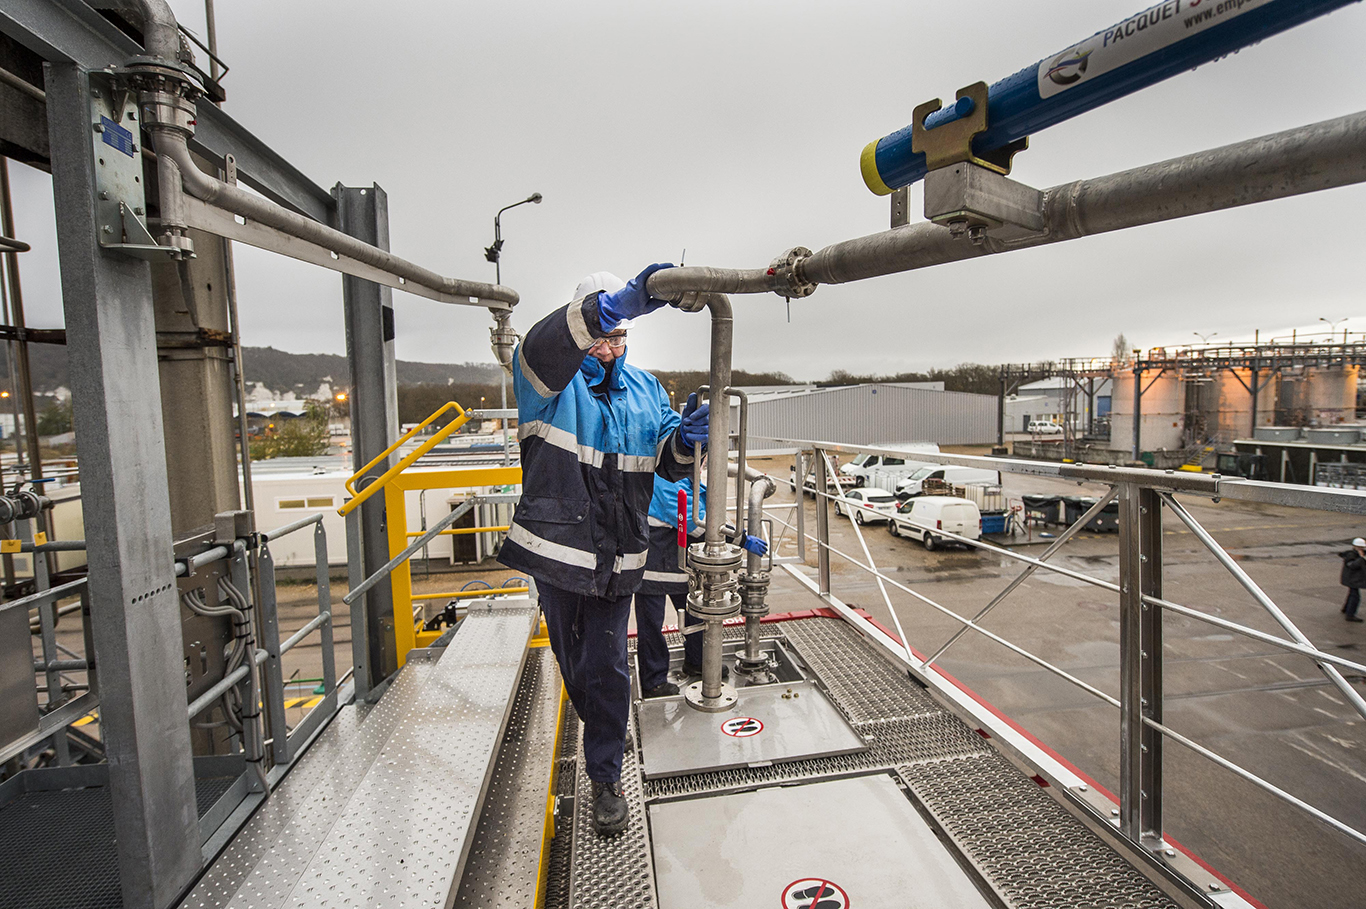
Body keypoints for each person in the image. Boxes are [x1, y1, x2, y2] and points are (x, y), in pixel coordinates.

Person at [499, 264, 708, 836]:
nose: (611, 346)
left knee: (610, 663)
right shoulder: (544, 378)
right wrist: (612, 306)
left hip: (622, 556)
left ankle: (605, 773)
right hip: (558, 555)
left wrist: (686, 439)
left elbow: (668, 461)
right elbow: (549, 340)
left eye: (619, 335)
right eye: (603, 331)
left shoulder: (646, 389)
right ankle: (603, 728)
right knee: (577, 664)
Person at [634, 474, 766, 697]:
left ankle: (698, 662)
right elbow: (699, 524)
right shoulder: (666, 480)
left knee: (695, 614)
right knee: (651, 626)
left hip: (676, 565)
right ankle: (653, 681)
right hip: (653, 566)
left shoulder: (681, 477)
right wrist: (742, 540)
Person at [1339, 537, 1366, 622]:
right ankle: (1350, 614)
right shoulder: (1352, 555)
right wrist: (1361, 558)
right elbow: (1352, 565)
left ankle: (1346, 608)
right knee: (1355, 596)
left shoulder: (1354, 554)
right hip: (1353, 579)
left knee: (1352, 593)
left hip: (1352, 579)